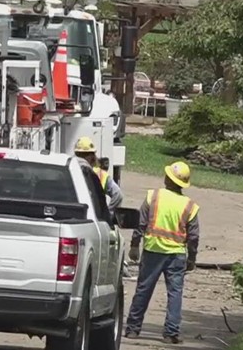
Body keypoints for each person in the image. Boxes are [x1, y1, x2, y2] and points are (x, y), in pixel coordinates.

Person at [125, 161, 201, 344]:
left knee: (143, 289)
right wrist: (192, 258)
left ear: (167, 178)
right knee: (175, 293)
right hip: (176, 255)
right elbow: (194, 236)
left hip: (153, 251)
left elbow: (140, 223)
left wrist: (134, 245)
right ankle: (171, 333)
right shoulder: (190, 205)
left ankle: (133, 330)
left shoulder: (154, 196)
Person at [74, 137, 123, 210]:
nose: (82, 158)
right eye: (80, 155)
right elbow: (118, 195)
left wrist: (107, 213)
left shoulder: (70, 171)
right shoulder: (72, 171)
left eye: (85, 155)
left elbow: (118, 195)